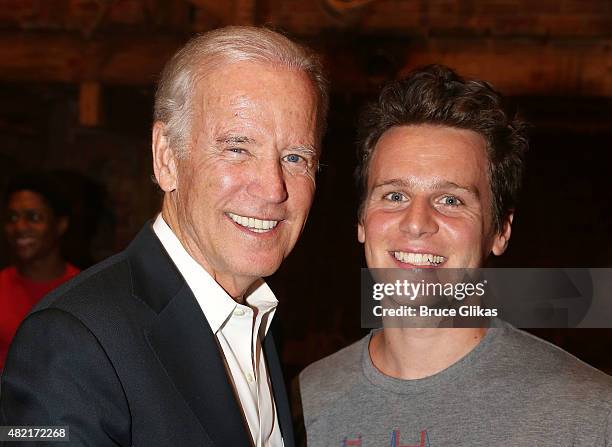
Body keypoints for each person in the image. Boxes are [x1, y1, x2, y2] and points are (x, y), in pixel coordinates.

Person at [1, 26, 328, 447]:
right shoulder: (69, 340)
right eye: (237, 148)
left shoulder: (253, 321)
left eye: (295, 157)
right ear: (166, 157)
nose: (273, 188)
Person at [299, 65, 612, 446]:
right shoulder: (300, 401)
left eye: (451, 200)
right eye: (394, 196)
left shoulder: (589, 415)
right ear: (362, 220)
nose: (416, 223)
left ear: (500, 231)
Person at [0, 174, 79, 372]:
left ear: (60, 225)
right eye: (12, 218)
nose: (19, 227)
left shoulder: (84, 289)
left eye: (33, 217)